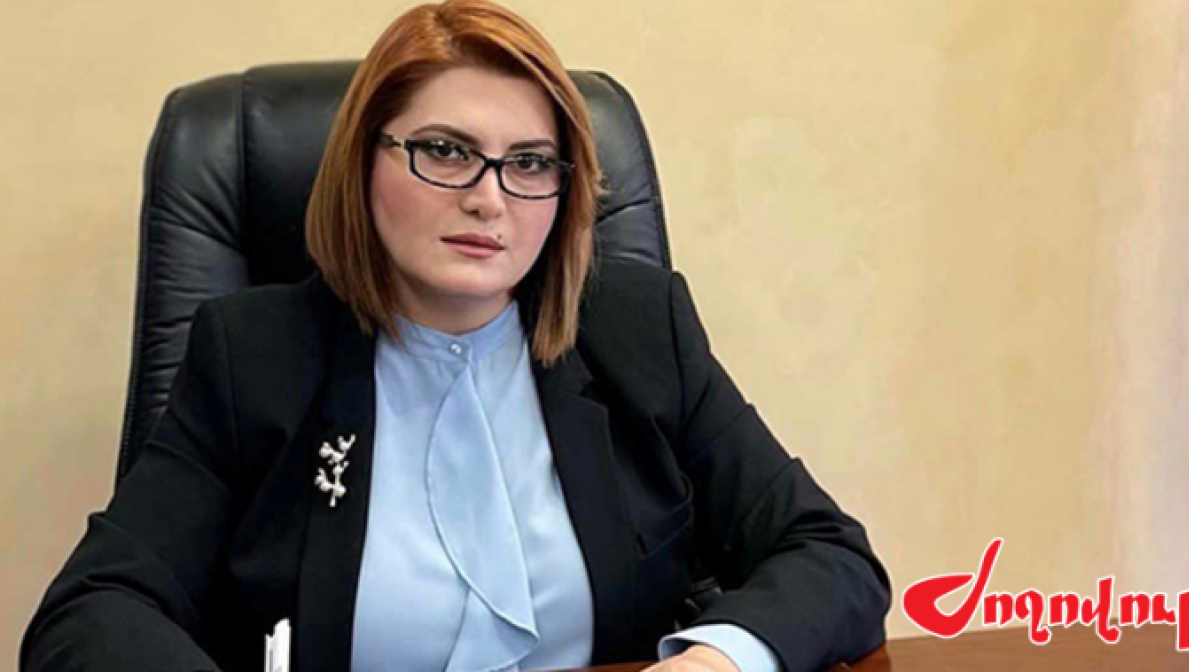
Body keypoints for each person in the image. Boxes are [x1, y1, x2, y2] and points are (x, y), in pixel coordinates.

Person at [20, 2, 891, 671]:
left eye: (529, 162)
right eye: (444, 151)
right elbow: (92, 612)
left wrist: (718, 661)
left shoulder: (636, 330)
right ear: (363, 162)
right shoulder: (255, 356)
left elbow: (828, 555)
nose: (488, 197)